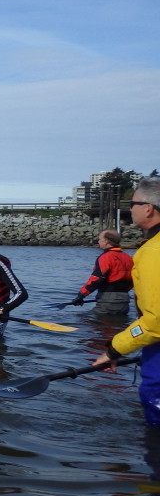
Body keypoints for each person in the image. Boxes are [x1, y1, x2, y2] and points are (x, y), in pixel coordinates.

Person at [94, 177, 160, 426]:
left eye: (132, 203)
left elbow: (155, 322)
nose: (129, 209)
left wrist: (114, 349)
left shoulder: (154, 251)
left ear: (148, 208)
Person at [70, 229, 134, 316]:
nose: (98, 241)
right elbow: (133, 279)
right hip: (124, 299)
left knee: (93, 322)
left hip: (108, 299)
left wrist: (81, 295)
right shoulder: (128, 257)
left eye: (99, 239)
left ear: (106, 241)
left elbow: (97, 279)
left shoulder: (105, 257)